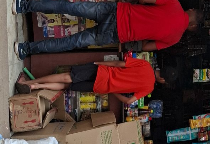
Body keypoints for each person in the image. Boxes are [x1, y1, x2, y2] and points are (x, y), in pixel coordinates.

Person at [14, 0, 202, 59]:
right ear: (193, 27)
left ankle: (24, 6)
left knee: (70, 7)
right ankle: (25, 48)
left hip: (116, 11)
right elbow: (145, 47)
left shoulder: (175, 4)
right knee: (71, 42)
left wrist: (129, 1)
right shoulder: (174, 39)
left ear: (191, 10)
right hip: (117, 34)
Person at [16, 58, 177, 106]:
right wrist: (113, 91)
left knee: (67, 76)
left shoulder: (145, 65)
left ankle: (31, 83)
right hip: (101, 87)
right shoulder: (148, 88)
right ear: (162, 80)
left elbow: (119, 64)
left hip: (102, 72)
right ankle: (35, 87)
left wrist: (100, 63)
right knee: (67, 85)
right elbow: (128, 101)